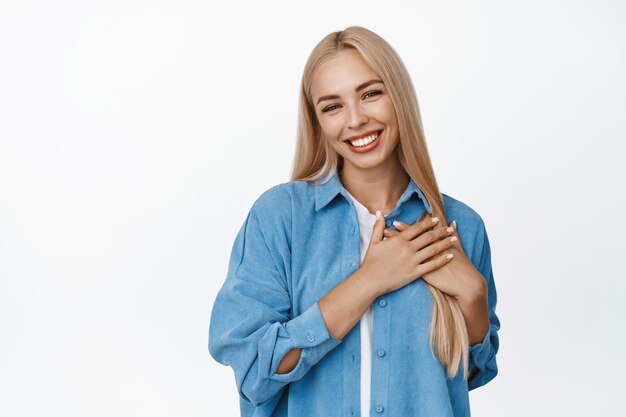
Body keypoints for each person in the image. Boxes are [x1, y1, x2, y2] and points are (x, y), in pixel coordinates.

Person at [208, 26, 499, 417]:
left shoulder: (460, 226)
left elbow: (466, 378)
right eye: (333, 106)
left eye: (370, 94)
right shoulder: (280, 218)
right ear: (318, 122)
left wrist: (476, 300)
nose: (356, 119)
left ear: (399, 97)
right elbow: (254, 372)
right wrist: (369, 281)